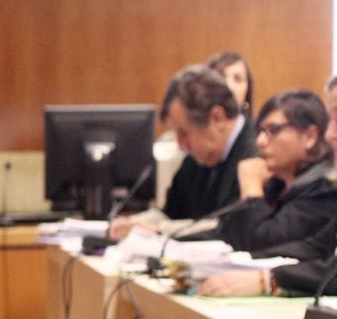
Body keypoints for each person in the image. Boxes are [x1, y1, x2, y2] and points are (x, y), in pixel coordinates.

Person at [198, 63, 337, 297]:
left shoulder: (328, 188)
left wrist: (270, 280)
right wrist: (240, 263)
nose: (330, 133)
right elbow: (318, 248)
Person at [110, 65, 258, 240]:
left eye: (184, 133)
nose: (181, 146)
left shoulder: (257, 153)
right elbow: (171, 213)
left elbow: (228, 228)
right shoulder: (197, 159)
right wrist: (132, 223)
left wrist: (159, 230)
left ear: (217, 118)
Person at [214, 89, 337, 253]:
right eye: (260, 132)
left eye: (273, 130)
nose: (260, 141)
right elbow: (229, 235)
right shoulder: (277, 185)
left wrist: (252, 189)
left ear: (309, 137)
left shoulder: (325, 188)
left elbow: (260, 245)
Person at [207, 49, 255, 118]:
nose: (229, 86)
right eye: (221, 77)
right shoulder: (191, 128)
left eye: (238, 79)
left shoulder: (254, 128)